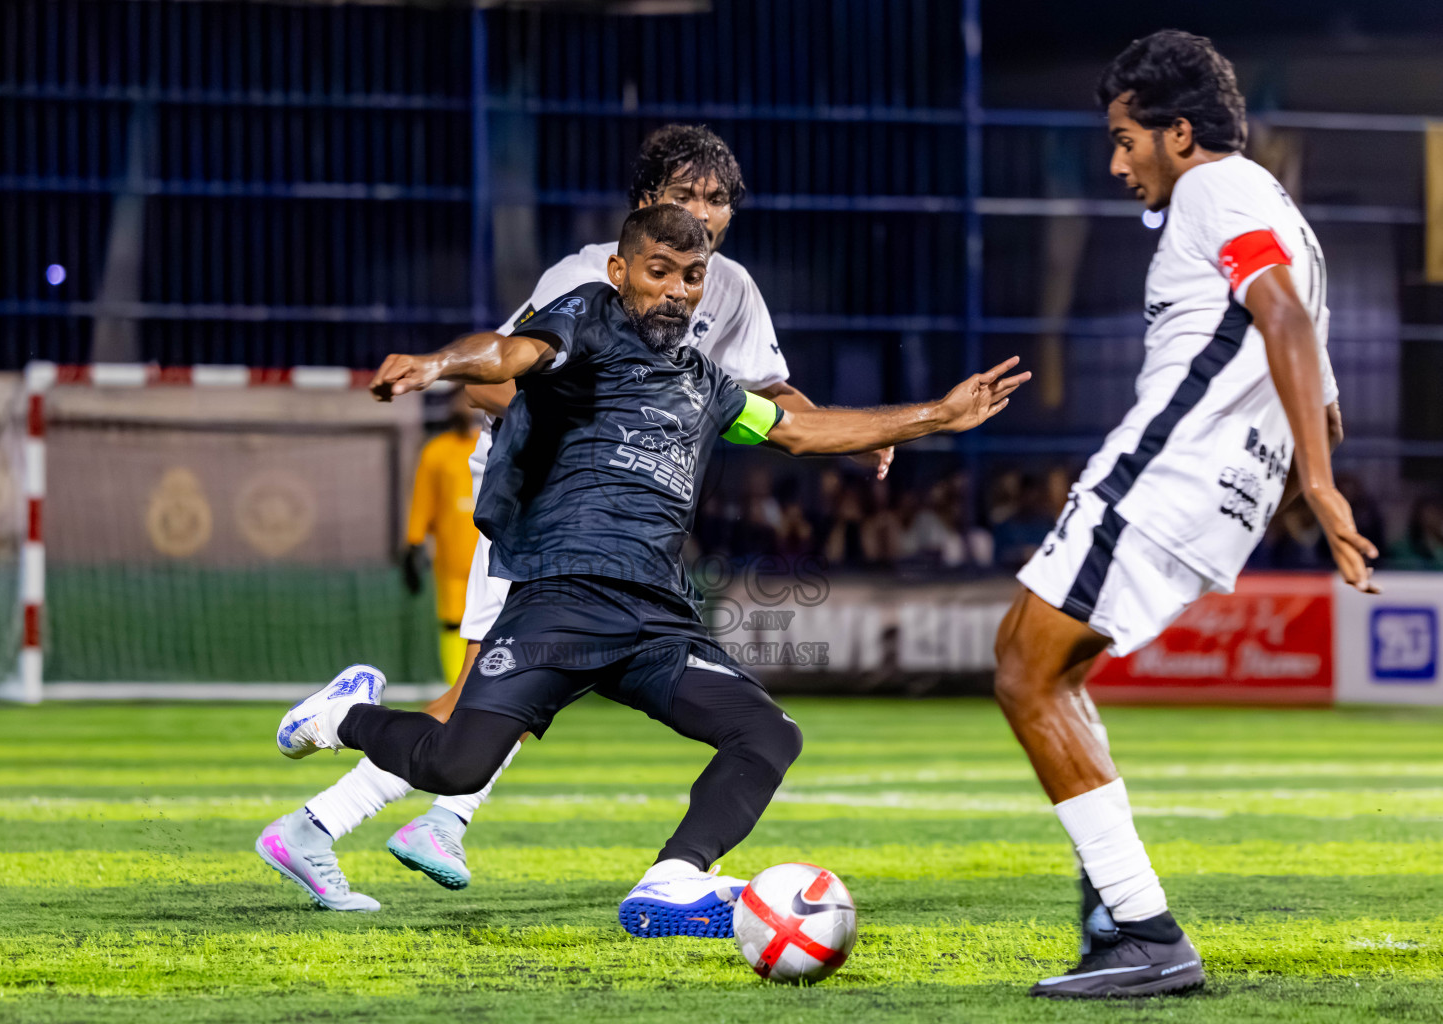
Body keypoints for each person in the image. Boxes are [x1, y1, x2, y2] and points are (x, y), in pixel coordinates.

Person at [272, 203, 1029, 939]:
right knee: (457, 766)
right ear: (621, 270)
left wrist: (936, 414)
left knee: (767, 736)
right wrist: (438, 364)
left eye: (691, 276)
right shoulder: (588, 324)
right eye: (659, 271)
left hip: (652, 618)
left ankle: (671, 880)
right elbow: (509, 355)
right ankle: (339, 717)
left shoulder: (708, 383)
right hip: (560, 600)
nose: (675, 289)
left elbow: (796, 430)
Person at [992, 30, 1375, 999]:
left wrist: (1324, 493)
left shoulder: (1214, 189)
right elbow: (1322, 403)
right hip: (1220, 501)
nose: (1116, 162)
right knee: (1060, 671)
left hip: (1163, 478)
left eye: (1125, 140)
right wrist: (1288, 489)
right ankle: (1113, 917)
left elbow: (1277, 318)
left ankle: (1141, 929)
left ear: (1178, 132)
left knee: (1020, 666)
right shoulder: (1285, 217)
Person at [403, 391, 484, 683]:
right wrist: (413, 542)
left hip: (493, 554)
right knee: (454, 623)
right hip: (452, 557)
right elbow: (423, 500)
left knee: (493, 625)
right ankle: (457, 690)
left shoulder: (493, 445)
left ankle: (490, 690)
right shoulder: (437, 451)